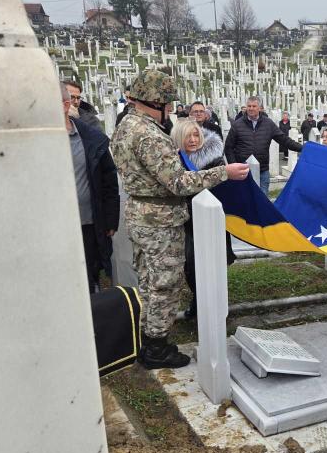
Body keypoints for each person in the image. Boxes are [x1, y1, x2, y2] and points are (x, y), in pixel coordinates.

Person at [111, 70, 250, 369]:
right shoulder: (147, 134)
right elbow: (178, 183)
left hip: (141, 214)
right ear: (155, 101)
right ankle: (157, 348)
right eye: (168, 103)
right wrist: (224, 172)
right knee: (164, 284)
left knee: (148, 282)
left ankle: (149, 339)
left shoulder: (125, 126)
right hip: (160, 220)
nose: (172, 109)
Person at [171, 119, 237, 320]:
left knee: (213, 268)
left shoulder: (215, 160)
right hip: (186, 221)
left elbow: (224, 190)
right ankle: (199, 302)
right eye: (187, 136)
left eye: (196, 135)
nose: (192, 140)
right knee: (190, 267)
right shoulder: (173, 161)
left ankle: (215, 311)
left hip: (211, 220)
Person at [61, 83, 120, 293]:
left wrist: (111, 219)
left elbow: (109, 180)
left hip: (88, 221)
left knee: (88, 274)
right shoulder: (35, 142)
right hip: (57, 226)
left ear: (65, 105)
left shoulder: (91, 139)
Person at [224, 96, 302, 195]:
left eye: (254, 106)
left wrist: (302, 148)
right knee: (244, 201)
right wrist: (234, 165)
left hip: (262, 171)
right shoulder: (237, 125)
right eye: (249, 106)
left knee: (263, 201)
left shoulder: (268, 124)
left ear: (260, 108)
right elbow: (228, 147)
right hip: (243, 172)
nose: (251, 108)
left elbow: (284, 140)